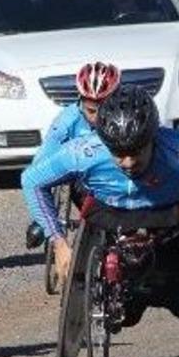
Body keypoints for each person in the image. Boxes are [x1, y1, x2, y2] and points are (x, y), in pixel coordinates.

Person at [21, 85, 179, 328]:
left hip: (168, 216)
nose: (128, 163)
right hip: (110, 214)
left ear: (152, 138)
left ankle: (176, 296)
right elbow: (31, 180)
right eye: (118, 153)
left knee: (175, 272)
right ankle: (138, 296)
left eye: (136, 152)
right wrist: (59, 242)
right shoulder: (83, 152)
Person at [23, 60, 121, 248]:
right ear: (80, 101)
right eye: (91, 111)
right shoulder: (66, 121)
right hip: (82, 176)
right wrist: (42, 217)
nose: (98, 118)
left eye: (105, 109)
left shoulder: (126, 116)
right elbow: (40, 165)